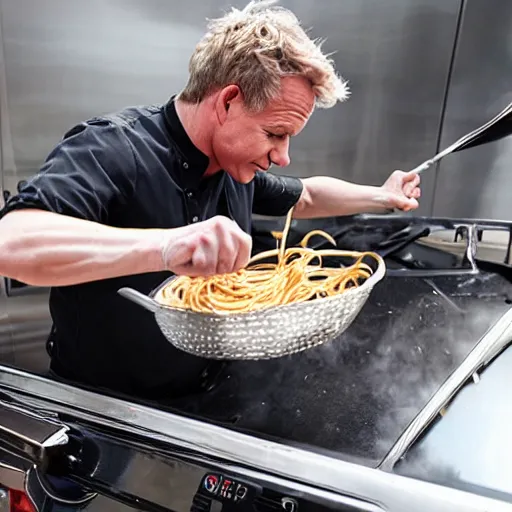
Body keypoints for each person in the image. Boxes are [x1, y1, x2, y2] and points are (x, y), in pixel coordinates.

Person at [0, 0, 420, 401]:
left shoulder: (234, 168)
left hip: (204, 399)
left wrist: (383, 196)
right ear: (228, 101)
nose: (282, 156)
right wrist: (166, 247)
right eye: (274, 133)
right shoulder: (114, 148)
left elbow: (306, 195)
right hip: (103, 413)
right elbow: (12, 243)